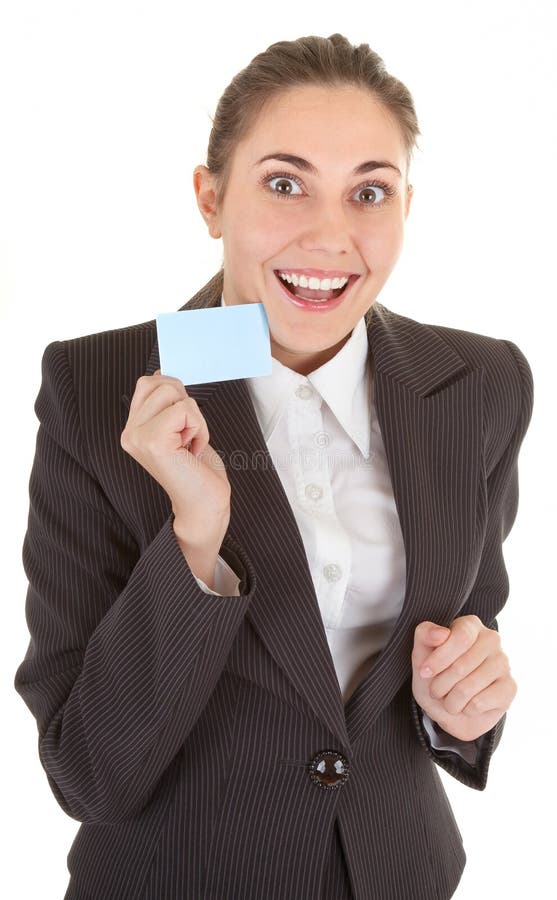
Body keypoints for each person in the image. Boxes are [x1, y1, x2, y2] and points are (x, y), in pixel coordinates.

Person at [14, 33, 534, 900]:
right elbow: (87, 772)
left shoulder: (480, 385)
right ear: (211, 198)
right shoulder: (94, 388)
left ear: (408, 205)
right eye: (284, 183)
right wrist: (195, 542)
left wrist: (464, 708)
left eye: (369, 191)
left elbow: (465, 634)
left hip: (399, 876)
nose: (331, 236)